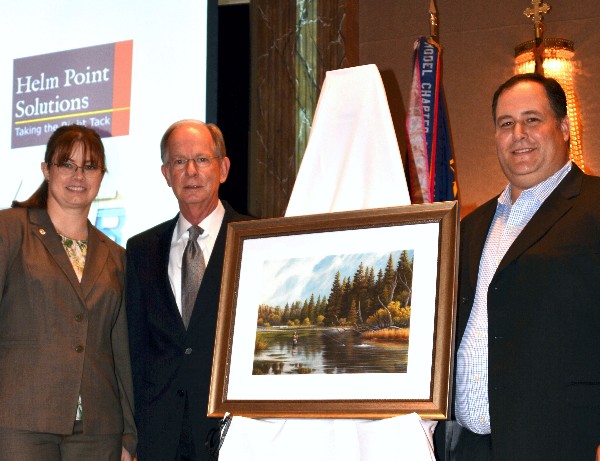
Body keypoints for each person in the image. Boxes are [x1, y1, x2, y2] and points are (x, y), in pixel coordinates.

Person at [434, 73, 600, 460]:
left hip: (565, 446)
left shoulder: (595, 206)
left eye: (532, 119)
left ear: (563, 127)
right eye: (505, 124)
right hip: (465, 447)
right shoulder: (467, 228)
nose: (518, 133)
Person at [0, 124, 137, 460]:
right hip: (21, 422)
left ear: (101, 176)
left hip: (98, 430)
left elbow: (120, 352)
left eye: (90, 166)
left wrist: (129, 436)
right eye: (67, 164)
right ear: (47, 170)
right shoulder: (11, 228)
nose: (79, 175)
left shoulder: (117, 256)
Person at [126, 120, 249, 460]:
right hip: (159, 436)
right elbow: (136, 350)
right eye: (179, 162)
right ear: (166, 174)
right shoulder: (141, 250)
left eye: (202, 159)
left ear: (223, 168)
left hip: (234, 433)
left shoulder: (255, 240)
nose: (191, 171)